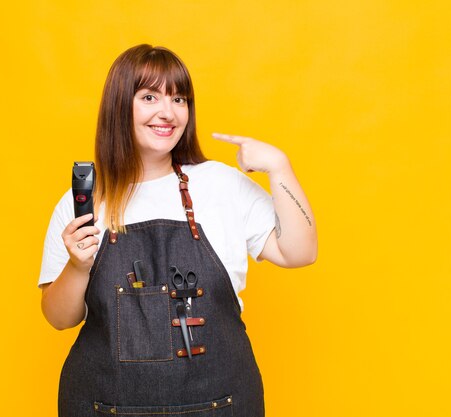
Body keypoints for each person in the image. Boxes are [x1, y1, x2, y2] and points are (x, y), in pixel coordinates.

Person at [38, 44, 317, 417]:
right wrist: (76, 265)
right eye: (150, 96)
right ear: (120, 105)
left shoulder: (222, 186)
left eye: (179, 99)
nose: (167, 113)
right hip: (105, 406)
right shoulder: (83, 202)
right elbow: (59, 319)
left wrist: (279, 167)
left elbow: (299, 252)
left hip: (220, 404)